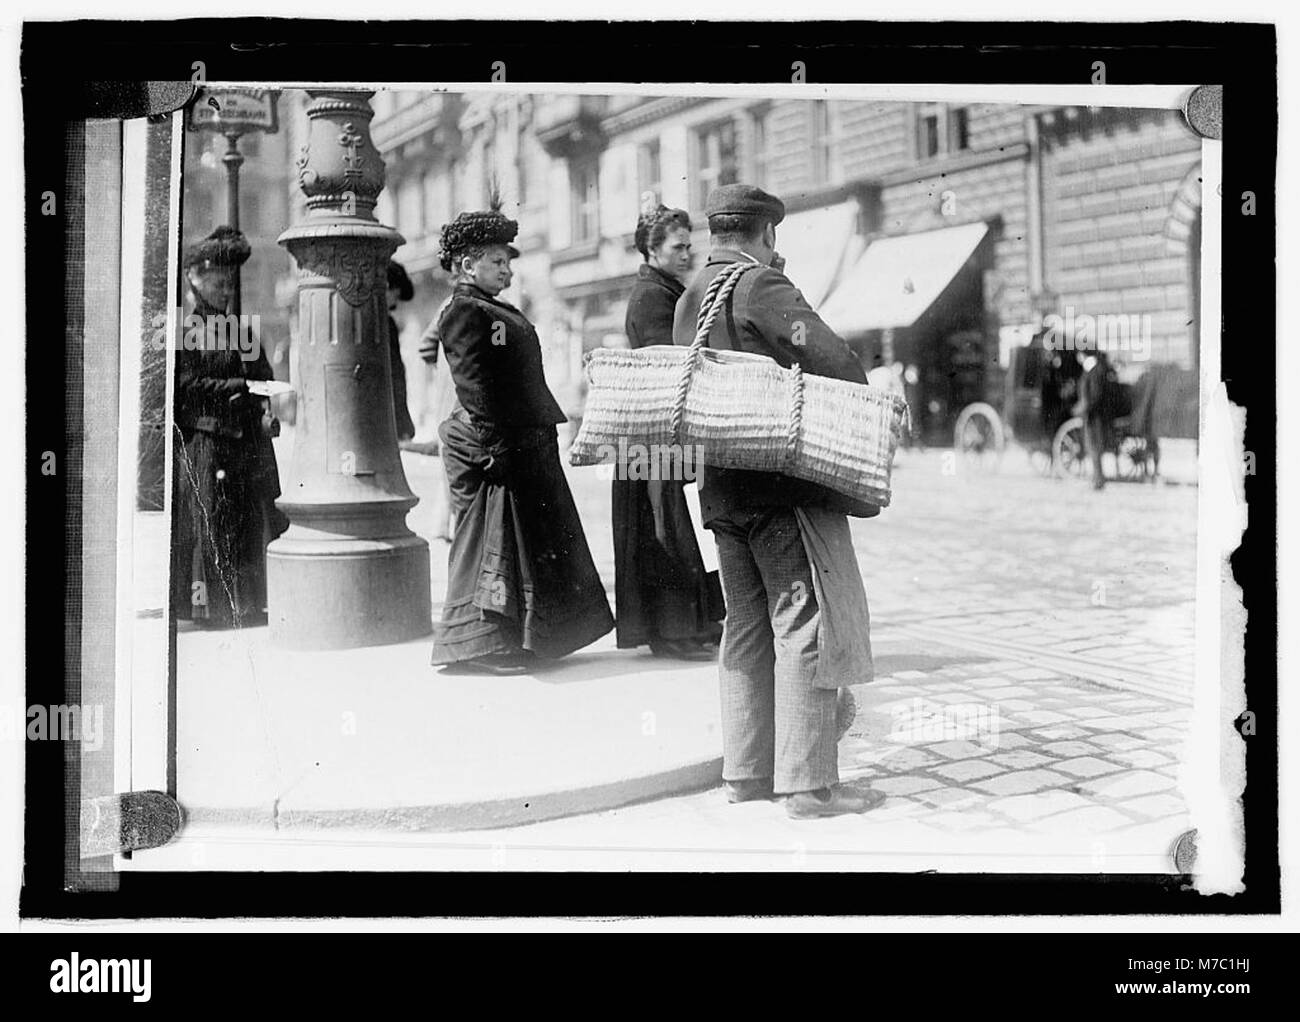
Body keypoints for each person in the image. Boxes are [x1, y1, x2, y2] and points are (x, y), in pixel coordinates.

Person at [672, 185, 885, 820]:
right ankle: (809, 786)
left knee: (744, 624)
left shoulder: (690, 298)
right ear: (766, 234)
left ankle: (745, 774)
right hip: (781, 488)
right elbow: (834, 358)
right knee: (802, 622)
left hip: (721, 489)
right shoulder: (760, 286)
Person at [430, 202, 614, 674]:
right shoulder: (464, 311)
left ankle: (521, 639)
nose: (508, 271)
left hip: (520, 441)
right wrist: (495, 449)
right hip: (498, 445)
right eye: (498, 262)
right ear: (468, 265)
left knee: (519, 543)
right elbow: (474, 387)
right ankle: (480, 645)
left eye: (508, 262)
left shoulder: (490, 308)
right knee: (488, 542)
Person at [614, 204, 723, 662]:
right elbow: (669, 364)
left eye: (689, 244)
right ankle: (673, 631)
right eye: (678, 247)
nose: (687, 252)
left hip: (653, 431)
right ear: (652, 250)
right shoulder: (653, 298)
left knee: (667, 525)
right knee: (662, 529)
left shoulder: (662, 291)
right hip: (651, 433)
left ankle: (685, 627)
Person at [171, 225, 287, 629]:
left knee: (248, 521)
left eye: (228, 285)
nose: (225, 292)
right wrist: (238, 387)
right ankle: (212, 609)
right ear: (194, 280)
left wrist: (266, 408)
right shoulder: (184, 333)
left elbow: (263, 376)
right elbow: (184, 388)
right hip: (207, 442)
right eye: (218, 283)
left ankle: (250, 604)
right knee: (214, 522)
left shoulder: (242, 331)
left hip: (245, 442)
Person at [386, 260, 417, 443]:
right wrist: (403, 425)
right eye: (395, 295)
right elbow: (394, 375)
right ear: (387, 286)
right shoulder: (386, 324)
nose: (395, 303)